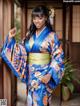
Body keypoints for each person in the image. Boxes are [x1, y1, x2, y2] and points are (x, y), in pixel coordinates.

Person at [1, 5, 64, 106]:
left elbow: (59, 56)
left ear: (46, 18)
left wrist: (50, 74)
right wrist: (11, 39)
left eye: (40, 17)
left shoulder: (52, 36)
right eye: (34, 18)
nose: (37, 21)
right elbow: (21, 50)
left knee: (41, 100)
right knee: (30, 100)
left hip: (44, 74)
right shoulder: (29, 34)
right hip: (31, 74)